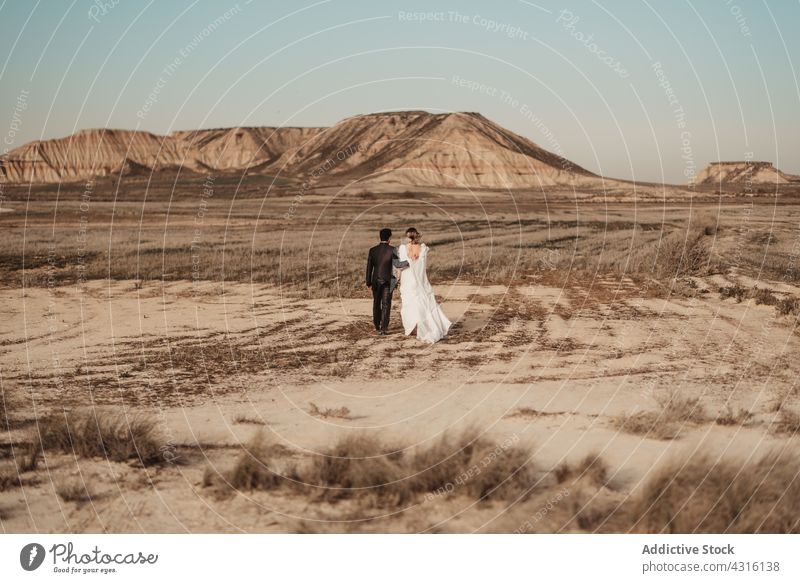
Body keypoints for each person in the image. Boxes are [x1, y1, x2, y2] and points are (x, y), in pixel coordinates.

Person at [397, 227, 452, 343]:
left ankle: (414, 327)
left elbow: (401, 266)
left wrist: (397, 277)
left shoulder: (403, 248)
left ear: (408, 236)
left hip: (408, 280)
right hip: (420, 280)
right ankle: (423, 326)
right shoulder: (423, 248)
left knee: (410, 304)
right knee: (423, 303)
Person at [365, 228, 408, 335]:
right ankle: (384, 328)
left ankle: (377, 325)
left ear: (380, 237)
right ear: (389, 238)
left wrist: (368, 282)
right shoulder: (393, 250)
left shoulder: (372, 250)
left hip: (375, 280)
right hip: (388, 281)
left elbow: (369, 268)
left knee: (376, 303)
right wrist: (409, 262)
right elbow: (398, 265)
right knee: (386, 304)